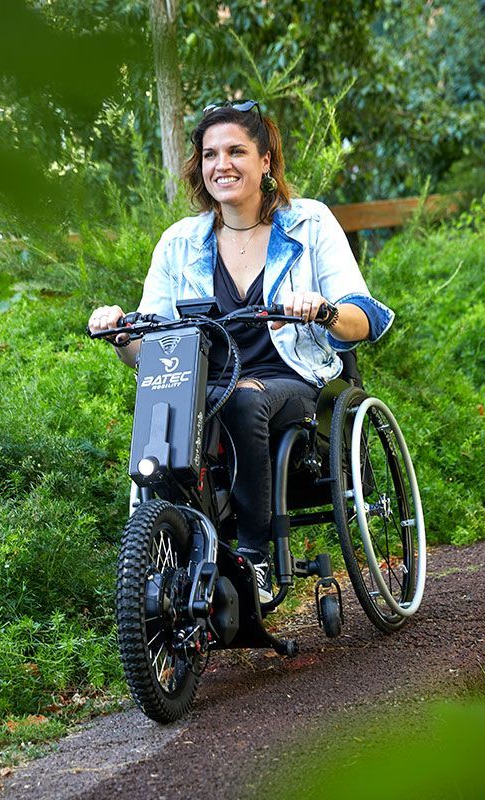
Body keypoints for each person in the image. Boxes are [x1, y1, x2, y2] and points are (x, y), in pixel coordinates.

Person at [88, 100, 393, 603]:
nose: (221, 165)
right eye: (210, 154)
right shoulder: (179, 244)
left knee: (242, 397)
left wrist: (322, 311)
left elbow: (365, 319)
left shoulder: (309, 224)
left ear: (266, 161)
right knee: (165, 415)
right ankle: (180, 569)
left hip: (296, 381)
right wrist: (122, 332)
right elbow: (150, 350)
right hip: (205, 386)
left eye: (236, 151)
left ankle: (255, 557)